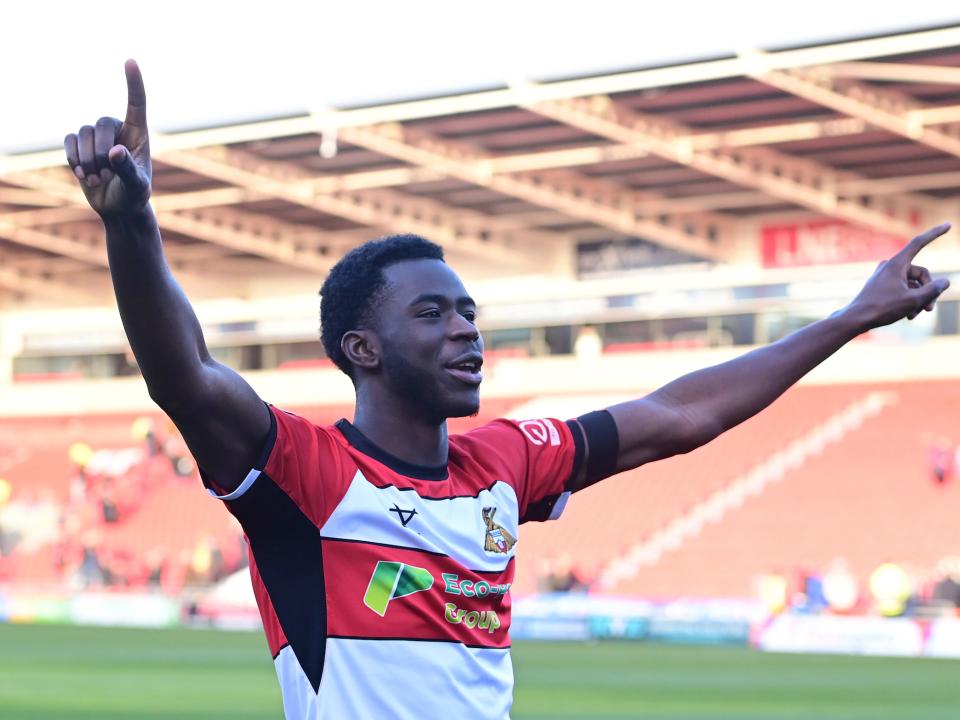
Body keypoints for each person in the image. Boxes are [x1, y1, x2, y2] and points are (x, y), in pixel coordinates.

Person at [64, 60, 952, 720]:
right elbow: (184, 375)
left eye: (469, 311)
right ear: (362, 348)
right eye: (434, 315)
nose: (465, 329)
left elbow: (681, 415)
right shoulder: (307, 473)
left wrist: (848, 320)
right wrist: (133, 221)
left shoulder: (508, 464)